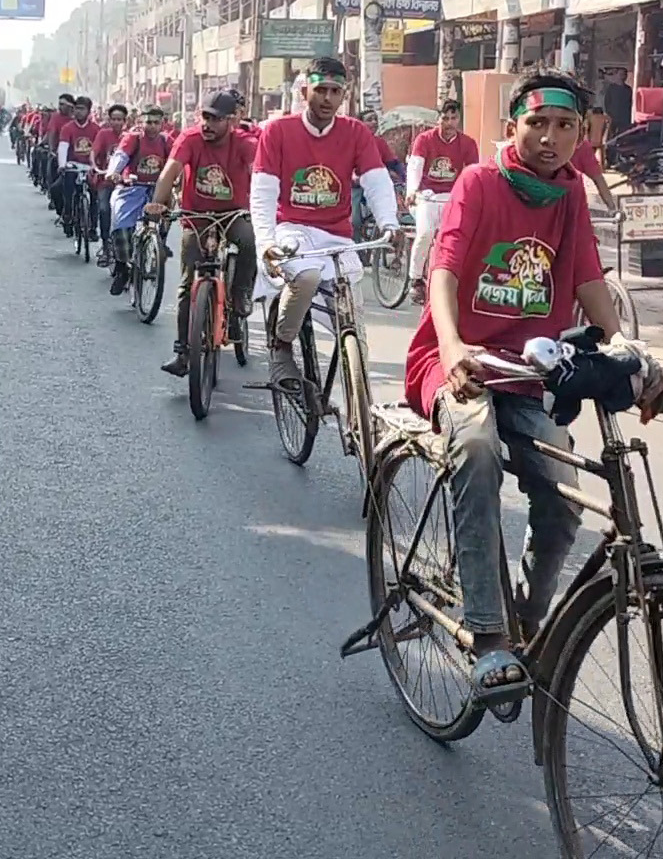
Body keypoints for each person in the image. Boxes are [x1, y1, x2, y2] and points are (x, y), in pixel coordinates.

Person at [402, 70, 628, 707]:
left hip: (530, 376)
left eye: (565, 127)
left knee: (565, 499)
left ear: (580, 135)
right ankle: (487, 633)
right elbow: (444, 268)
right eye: (537, 124)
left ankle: (528, 616)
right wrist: (450, 348)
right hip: (460, 364)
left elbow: (587, 279)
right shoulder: (479, 180)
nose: (550, 138)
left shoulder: (570, 196)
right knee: (474, 451)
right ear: (512, 129)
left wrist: (631, 357)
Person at [251, 58, 402, 391]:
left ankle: (361, 420)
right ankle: (281, 345)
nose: (327, 99)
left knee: (354, 329)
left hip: (338, 237)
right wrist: (265, 243)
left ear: (343, 95)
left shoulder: (356, 132)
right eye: (320, 90)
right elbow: (262, 192)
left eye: (335, 91)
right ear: (306, 91)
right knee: (307, 277)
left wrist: (390, 224)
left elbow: (376, 181)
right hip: (292, 230)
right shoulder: (278, 130)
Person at [146, 90, 256, 376]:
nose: (207, 124)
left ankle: (241, 295)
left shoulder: (245, 143)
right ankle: (183, 352)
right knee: (186, 284)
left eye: (215, 119)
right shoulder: (190, 139)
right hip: (196, 217)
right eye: (204, 117)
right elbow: (169, 173)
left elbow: (259, 174)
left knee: (248, 241)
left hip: (234, 214)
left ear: (231, 121)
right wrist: (158, 202)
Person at [406, 99, 479, 304]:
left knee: (462, 237)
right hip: (426, 197)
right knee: (426, 232)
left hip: (452, 198)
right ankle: (416, 279)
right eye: (444, 118)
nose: (448, 123)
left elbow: (472, 173)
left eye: (453, 118)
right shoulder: (424, 140)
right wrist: (412, 191)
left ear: (459, 120)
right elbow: (415, 167)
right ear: (438, 119)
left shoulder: (468, 144)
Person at [105, 104, 171, 295]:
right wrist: (114, 173)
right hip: (131, 189)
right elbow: (120, 156)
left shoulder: (166, 141)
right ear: (141, 122)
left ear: (162, 124)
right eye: (148, 122)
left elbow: (177, 162)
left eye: (156, 123)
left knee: (168, 216)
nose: (152, 126)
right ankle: (122, 268)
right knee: (121, 227)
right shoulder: (133, 138)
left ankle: (160, 246)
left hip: (156, 190)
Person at [54, 96, 101, 231]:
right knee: (63, 189)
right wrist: (62, 165)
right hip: (71, 166)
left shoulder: (96, 129)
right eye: (76, 109)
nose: (79, 112)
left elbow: (99, 150)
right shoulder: (67, 128)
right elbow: (63, 147)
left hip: (90, 168)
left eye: (82, 109)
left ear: (88, 111)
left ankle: (92, 228)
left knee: (94, 195)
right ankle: (67, 215)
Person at [93, 104, 128, 265]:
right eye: (113, 119)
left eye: (119, 119)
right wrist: (96, 167)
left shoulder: (130, 137)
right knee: (104, 209)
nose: (116, 122)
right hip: (105, 182)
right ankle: (106, 246)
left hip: (125, 183)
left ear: (125, 121)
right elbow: (94, 153)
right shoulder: (103, 134)